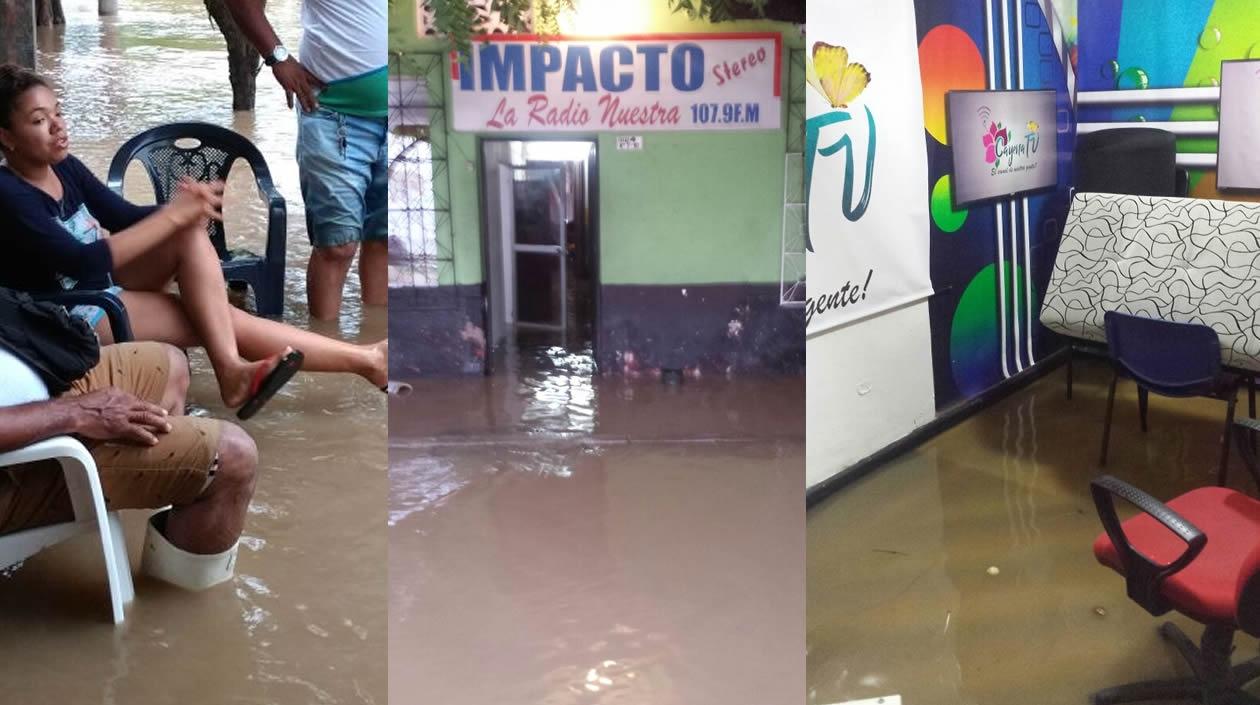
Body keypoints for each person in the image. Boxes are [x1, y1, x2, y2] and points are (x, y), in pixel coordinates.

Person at [0, 64, 390, 417]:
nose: (57, 126)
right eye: (39, 120)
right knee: (221, 320)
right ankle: (358, 361)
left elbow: (121, 217)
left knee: (193, 253)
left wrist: (187, 207)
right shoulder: (9, 193)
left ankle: (248, 368)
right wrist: (172, 215)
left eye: (58, 112)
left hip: (98, 286)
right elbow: (80, 262)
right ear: (7, 137)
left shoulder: (62, 166)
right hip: (67, 312)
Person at [0, 339, 258, 590]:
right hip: (16, 454)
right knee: (233, 457)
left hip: (31, 380)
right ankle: (182, 617)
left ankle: (165, 508)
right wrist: (76, 412)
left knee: (171, 366)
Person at [224, 0, 387, 321]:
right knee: (336, 247)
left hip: (411, 111)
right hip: (334, 115)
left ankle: (373, 349)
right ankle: (327, 354)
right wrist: (277, 57)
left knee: (384, 240)